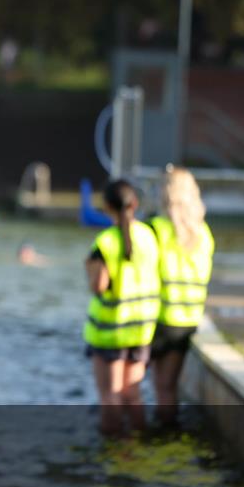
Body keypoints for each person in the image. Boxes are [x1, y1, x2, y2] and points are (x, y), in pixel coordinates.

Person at [83, 180, 160, 435]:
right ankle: (139, 442)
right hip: (141, 329)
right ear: (134, 204)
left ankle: (113, 449)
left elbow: (99, 286)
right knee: (133, 393)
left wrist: (89, 270)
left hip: (110, 331)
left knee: (110, 395)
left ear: (106, 207)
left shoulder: (106, 242)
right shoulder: (149, 236)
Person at [148, 167, 214, 425]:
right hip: (187, 321)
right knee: (169, 387)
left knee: (144, 386)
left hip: (158, 320)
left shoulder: (157, 229)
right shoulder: (204, 234)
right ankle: (170, 431)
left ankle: (146, 434)